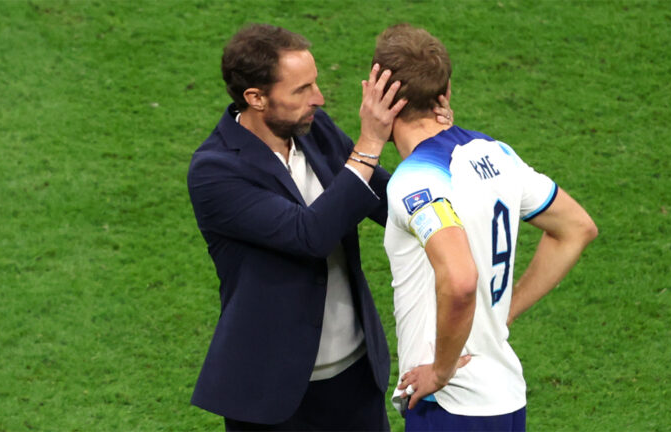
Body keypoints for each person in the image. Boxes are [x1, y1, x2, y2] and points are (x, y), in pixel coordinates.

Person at [187, 24, 452, 430]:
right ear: (255, 98)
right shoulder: (215, 172)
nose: (319, 98)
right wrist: (367, 145)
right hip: (271, 396)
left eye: (314, 83)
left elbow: (388, 201)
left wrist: (432, 144)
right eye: (301, 90)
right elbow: (309, 235)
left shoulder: (315, 130)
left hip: (355, 378)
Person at [375, 24, 598, 431]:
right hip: (505, 398)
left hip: (451, 406)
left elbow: (460, 279)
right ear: (444, 92)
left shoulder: (415, 180)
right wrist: (505, 312)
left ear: (381, 92)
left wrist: (441, 372)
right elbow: (576, 227)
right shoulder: (497, 155)